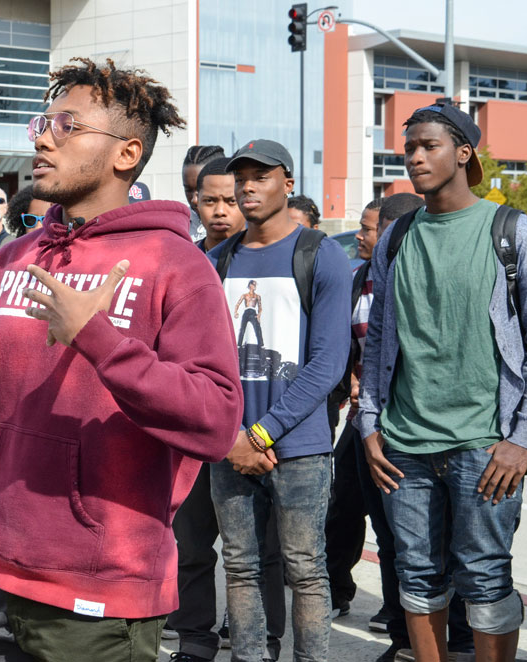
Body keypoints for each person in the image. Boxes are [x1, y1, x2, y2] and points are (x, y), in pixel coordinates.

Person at [0, 57, 243, 661]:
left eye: (68, 124)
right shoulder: (14, 260)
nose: (43, 137)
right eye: (43, 122)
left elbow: (214, 418)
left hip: (100, 593)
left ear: (126, 153)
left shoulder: (177, 266)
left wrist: (98, 339)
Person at [358, 103, 527, 662]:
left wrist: (522, 438)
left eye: (428, 145)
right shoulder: (397, 237)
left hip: (484, 443)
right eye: (408, 148)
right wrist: (368, 424)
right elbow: (381, 337)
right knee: (415, 575)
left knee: (484, 577)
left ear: (463, 152)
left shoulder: (512, 231)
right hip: (404, 444)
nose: (414, 158)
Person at [207, 140, 351, 662]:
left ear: (287, 183)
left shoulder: (319, 252)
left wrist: (262, 433)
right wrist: (230, 437)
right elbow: (203, 361)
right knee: (241, 567)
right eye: (240, 176)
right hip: (229, 446)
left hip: (300, 446)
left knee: (305, 568)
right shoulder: (217, 260)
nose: (247, 186)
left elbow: (329, 364)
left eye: (261, 176)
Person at [169, 151, 284, 662]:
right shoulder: (185, 263)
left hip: (263, 432)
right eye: (208, 199)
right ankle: (195, 639)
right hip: (197, 428)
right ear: (194, 202)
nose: (219, 210)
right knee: (192, 544)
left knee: (265, 551)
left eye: (228, 199)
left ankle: (263, 637)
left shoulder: (273, 259)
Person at [322, 198, 382, 621]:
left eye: (368, 228)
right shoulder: (358, 278)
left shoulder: (408, 281)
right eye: (359, 226)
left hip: (400, 418)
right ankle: (337, 587)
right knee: (343, 502)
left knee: (393, 514)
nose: (359, 234)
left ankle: (397, 607)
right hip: (361, 416)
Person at [195, 156, 246, 252]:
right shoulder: (184, 260)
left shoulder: (265, 259)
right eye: (209, 201)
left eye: (231, 201)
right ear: (197, 201)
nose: (220, 211)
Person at [183, 145, 225, 243]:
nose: (194, 199)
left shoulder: (245, 229)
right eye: (188, 190)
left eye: (200, 189)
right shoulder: (179, 226)